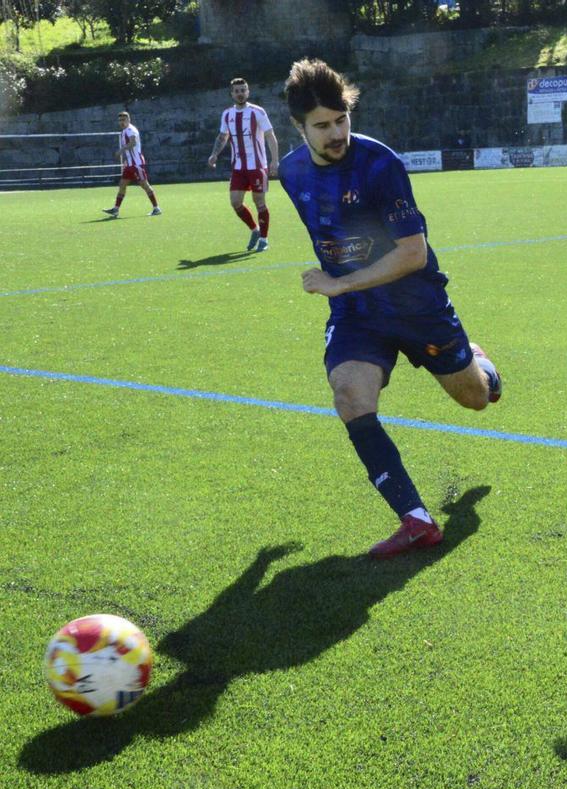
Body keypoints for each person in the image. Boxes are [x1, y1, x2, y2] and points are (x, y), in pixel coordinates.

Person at [277, 58, 503, 559]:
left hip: (415, 304)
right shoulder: (290, 172)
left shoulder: (382, 165)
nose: (336, 133)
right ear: (299, 127)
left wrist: (342, 283)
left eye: (342, 120)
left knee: (475, 399)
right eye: (322, 126)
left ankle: (482, 365)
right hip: (358, 312)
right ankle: (416, 519)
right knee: (349, 396)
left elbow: (412, 253)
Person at [208, 78, 279, 253]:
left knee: (259, 202)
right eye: (237, 91)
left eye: (243, 90)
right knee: (235, 202)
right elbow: (223, 137)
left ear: (248, 92)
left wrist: (274, 160)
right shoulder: (227, 114)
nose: (240, 93)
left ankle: (264, 238)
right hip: (239, 167)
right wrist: (214, 154)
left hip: (257, 166)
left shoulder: (257, 112)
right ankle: (254, 230)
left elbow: (270, 135)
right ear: (232, 94)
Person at [101, 112, 161, 218]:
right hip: (129, 164)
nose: (122, 122)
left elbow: (133, 143)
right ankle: (116, 209)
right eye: (120, 120)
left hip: (136, 163)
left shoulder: (131, 130)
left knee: (144, 185)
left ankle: (156, 208)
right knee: (122, 185)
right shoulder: (124, 131)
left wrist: (121, 150)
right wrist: (126, 160)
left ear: (129, 119)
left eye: (124, 120)